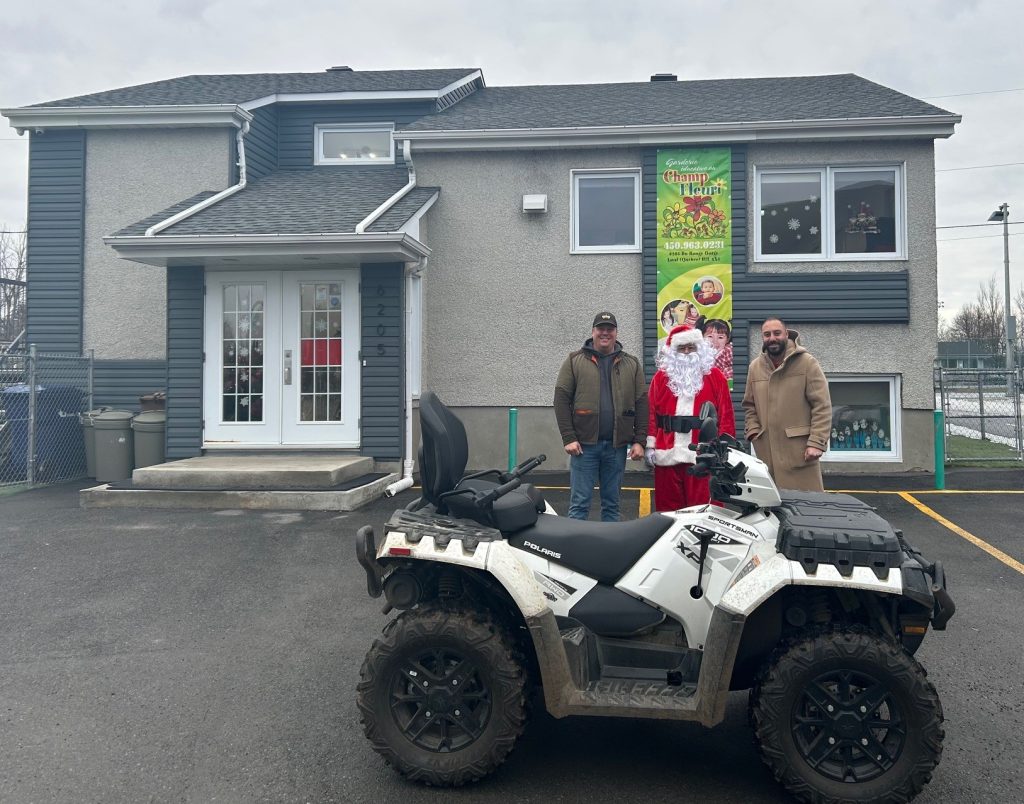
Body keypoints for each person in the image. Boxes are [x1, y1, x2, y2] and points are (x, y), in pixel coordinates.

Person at [554, 312, 648, 521]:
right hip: (584, 447)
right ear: (593, 331)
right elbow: (560, 400)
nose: (605, 333)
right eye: (600, 328)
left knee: (612, 506)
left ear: (616, 333)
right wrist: (568, 437)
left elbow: (642, 403)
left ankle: (609, 550)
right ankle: (574, 551)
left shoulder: (631, 364)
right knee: (579, 506)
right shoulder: (574, 361)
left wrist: (640, 440)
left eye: (610, 329)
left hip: (616, 447)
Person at [645, 324, 735, 511]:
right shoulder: (661, 378)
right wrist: (650, 445)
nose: (686, 353)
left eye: (691, 347)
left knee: (705, 510)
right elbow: (651, 413)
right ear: (672, 352)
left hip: (703, 455)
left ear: (699, 349)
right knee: (669, 512)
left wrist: (726, 449)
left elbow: (726, 414)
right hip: (667, 453)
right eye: (681, 348)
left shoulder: (715, 377)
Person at [742, 317, 832, 492]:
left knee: (808, 510)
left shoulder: (807, 362)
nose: (772, 338)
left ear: (786, 334)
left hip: (800, 454)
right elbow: (749, 405)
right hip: (766, 455)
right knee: (772, 513)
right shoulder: (755, 367)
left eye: (777, 333)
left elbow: (822, 405)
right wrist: (754, 432)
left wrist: (816, 442)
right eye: (767, 334)